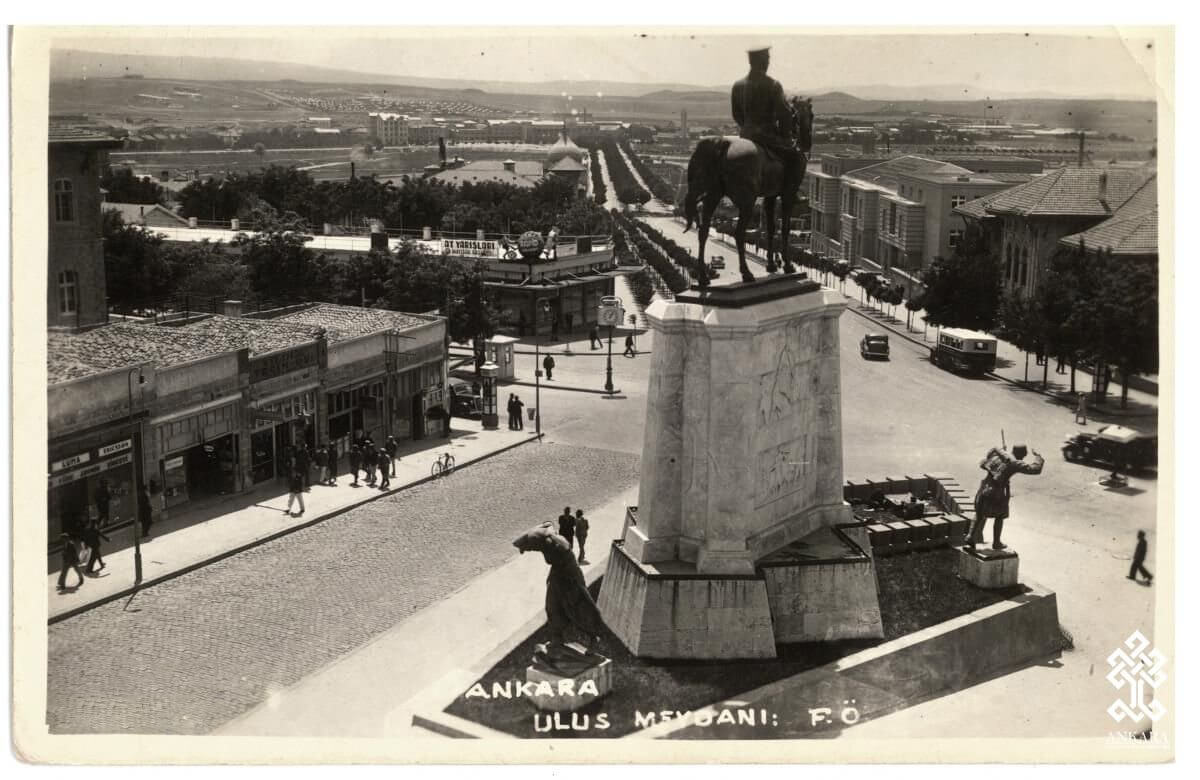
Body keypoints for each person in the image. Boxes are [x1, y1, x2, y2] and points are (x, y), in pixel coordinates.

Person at [731, 46, 803, 187]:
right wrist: (785, 136)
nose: (769, 62)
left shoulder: (737, 85)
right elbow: (784, 115)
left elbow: (736, 114)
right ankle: (790, 194)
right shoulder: (773, 85)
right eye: (767, 58)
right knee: (796, 157)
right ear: (763, 61)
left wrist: (746, 128)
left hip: (745, 134)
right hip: (766, 136)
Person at [968, 444, 1045, 551]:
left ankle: (970, 536)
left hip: (983, 489)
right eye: (1024, 455)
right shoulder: (1014, 462)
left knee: (979, 513)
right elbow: (1035, 469)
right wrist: (1038, 457)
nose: (1023, 458)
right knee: (1000, 515)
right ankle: (996, 542)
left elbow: (984, 463)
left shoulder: (1000, 455)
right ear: (1021, 454)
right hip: (995, 493)